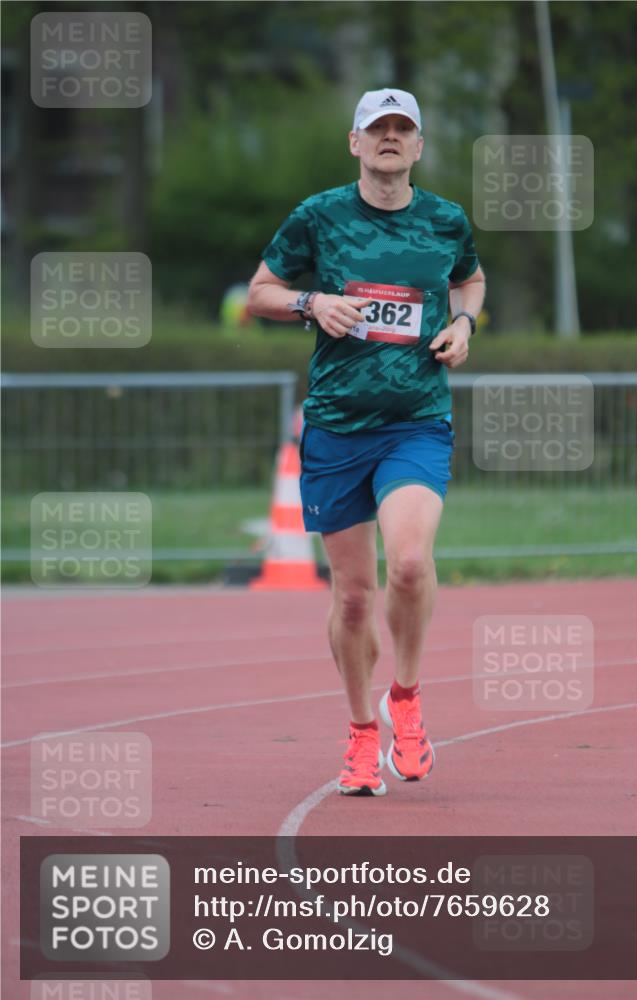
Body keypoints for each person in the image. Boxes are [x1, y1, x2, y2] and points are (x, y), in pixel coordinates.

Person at [247, 88, 485, 796]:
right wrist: (310, 302)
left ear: (417, 146)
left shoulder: (444, 220)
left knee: (409, 565)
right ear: (354, 143)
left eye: (400, 129)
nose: (388, 138)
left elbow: (469, 280)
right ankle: (359, 732)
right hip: (335, 427)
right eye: (375, 128)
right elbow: (259, 290)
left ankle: (405, 701)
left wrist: (464, 326)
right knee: (353, 597)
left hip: (414, 421)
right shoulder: (317, 217)